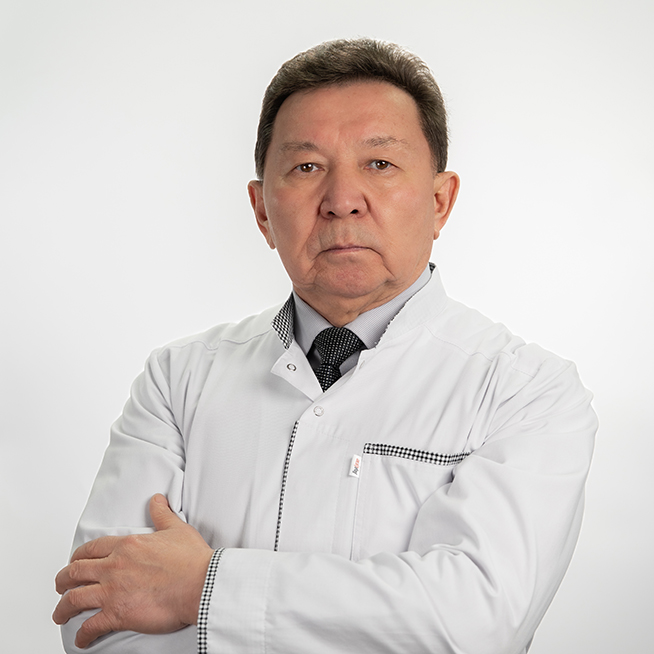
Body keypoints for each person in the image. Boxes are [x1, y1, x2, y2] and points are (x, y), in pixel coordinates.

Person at [53, 38, 597, 654]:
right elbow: (94, 617)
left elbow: (474, 624)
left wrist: (203, 587)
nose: (342, 201)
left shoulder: (528, 391)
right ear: (262, 211)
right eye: (307, 167)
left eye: (380, 163)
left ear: (440, 201)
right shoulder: (177, 380)